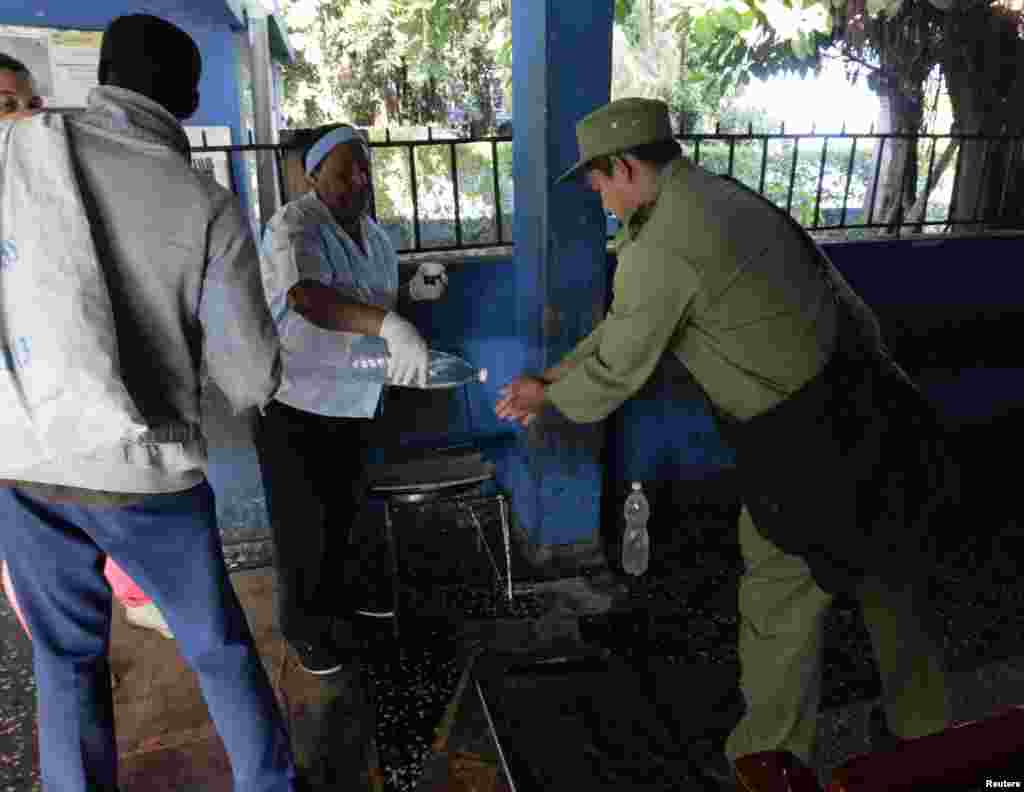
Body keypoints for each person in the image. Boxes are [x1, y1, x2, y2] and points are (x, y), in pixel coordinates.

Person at [495, 97, 954, 789]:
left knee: (777, 597)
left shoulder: (664, 243)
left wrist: (547, 398)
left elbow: (619, 365)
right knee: (893, 575)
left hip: (812, 443)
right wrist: (551, 376)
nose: (593, 191)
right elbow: (622, 329)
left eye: (595, 176)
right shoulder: (713, 196)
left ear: (623, 166)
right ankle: (928, 740)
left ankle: (766, 761)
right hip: (878, 403)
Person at [0, 15, 306, 792]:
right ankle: (269, 784)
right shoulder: (199, 201)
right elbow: (250, 377)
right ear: (189, 96)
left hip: (19, 460)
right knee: (215, 646)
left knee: (65, 658)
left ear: (100, 71)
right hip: (144, 473)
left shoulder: (19, 156)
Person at [256, 123, 445, 676]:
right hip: (299, 402)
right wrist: (390, 323)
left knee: (346, 513)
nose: (359, 180)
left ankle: (351, 603)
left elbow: (372, 294)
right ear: (314, 174)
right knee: (302, 527)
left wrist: (413, 290)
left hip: (357, 398)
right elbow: (308, 298)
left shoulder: (375, 236)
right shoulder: (295, 227)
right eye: (345, 170)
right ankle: (307, 632)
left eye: (365, 168)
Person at [0, 54, 174, 642]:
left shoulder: (53, 192)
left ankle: (128, 594)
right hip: (15, 452)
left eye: (31, 103)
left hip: (72, 418)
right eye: (6, 106)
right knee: (59, 626)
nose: (25, 118)